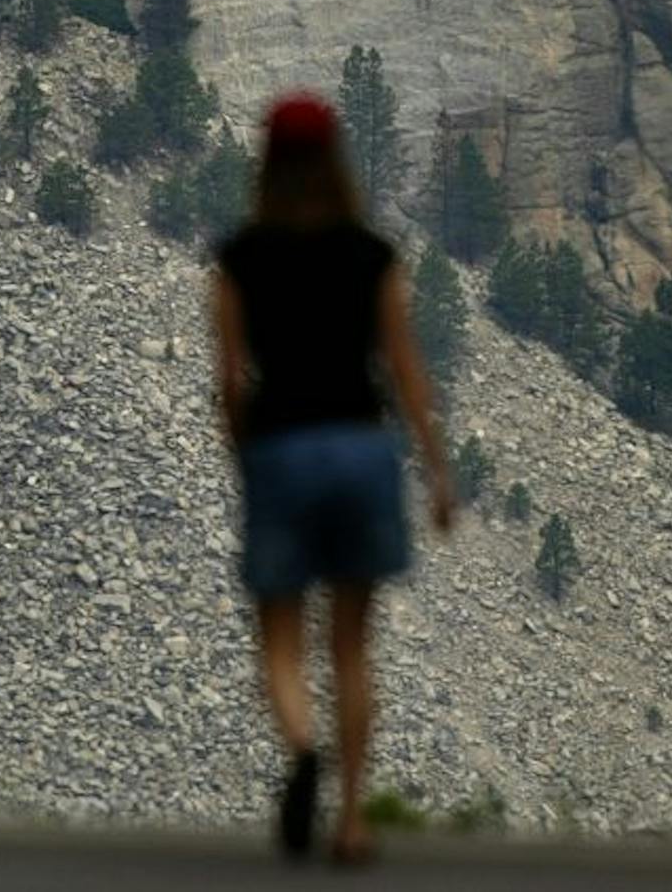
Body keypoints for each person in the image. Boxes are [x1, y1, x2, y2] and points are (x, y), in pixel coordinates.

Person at [212, 91, 455, 863]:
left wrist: (242, 453)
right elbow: (406, 367)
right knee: (351, 645)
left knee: (281, 636)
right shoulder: (370, 254)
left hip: (281, 444)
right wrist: (438, 470)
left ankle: (302, 743)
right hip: (360, 445)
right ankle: (350, 821)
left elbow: (229, 378)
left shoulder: (239, 258)